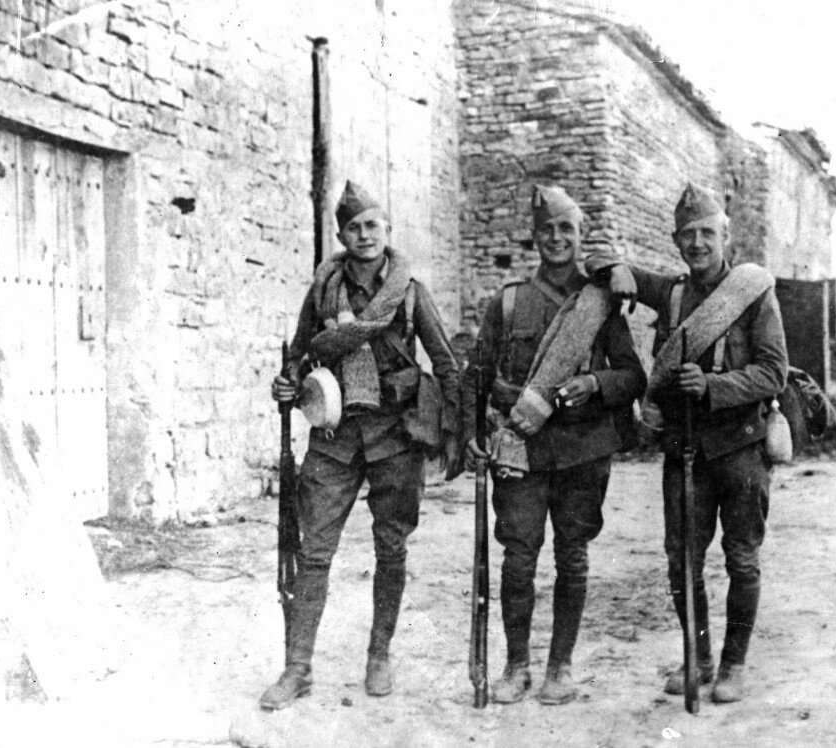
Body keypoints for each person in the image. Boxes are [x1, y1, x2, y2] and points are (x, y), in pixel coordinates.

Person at [261, 181, 461, 709]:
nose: (364, 235)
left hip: (396, 436)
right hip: (334, 437)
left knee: (391, 547)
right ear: (342, 235)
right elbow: (300, 354)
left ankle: (379, 654)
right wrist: (285, 382)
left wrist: (457, 430)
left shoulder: (411, 291)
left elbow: (444, 362)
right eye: (354, 228)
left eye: (372, 225)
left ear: (387, 229)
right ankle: (298, 667)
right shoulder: (324, 288)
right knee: (314, 550)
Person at [590, 182, 788, 703]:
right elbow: (618, 271)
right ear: (676, 241)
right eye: (687, 235)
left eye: (707, 233)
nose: (698, 243)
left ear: (726, 236)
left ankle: (734, 665)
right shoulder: (673, 293)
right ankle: (697, 657)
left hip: (741, 448)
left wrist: (715, 388)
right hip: (684, 452)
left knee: (742, 559)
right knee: (682, 562)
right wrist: (607, 271)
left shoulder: (753, 293)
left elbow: (774, 372)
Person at [462, 185, 646, 706]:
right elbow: (476, 376)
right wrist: (474, 433)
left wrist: (596, 385)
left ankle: (560, 667)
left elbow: (634, 376)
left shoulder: (602, 303)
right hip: (521, 448)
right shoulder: (510, 301)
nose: (558, 238)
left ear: (581, 236)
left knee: (573, 556)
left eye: (567, 229)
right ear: (534, 238)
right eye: (548, 230)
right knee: (518, 560)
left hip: (583, 449)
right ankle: (516, 665)